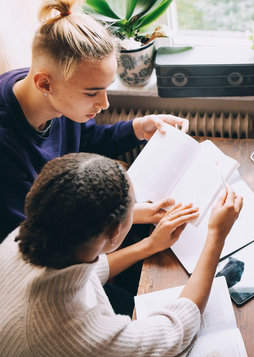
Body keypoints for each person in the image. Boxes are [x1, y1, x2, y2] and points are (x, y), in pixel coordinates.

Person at [0, 152, 243, 357]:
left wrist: (147, 244)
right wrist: (216, 237)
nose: (136, 209)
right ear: (115, 231)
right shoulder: (78, 334)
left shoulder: (27, 234)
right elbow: (176, 331)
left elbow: (84, 273)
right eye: (132, 208)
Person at [0, 0, 188, 240]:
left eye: (106, 89)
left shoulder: (54, 89)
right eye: (92, 93)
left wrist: (139, 128)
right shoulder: (6, 150)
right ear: (44, 83)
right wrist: (126, 219)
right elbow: (33, 244)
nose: (105, 104)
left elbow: (86, 140)